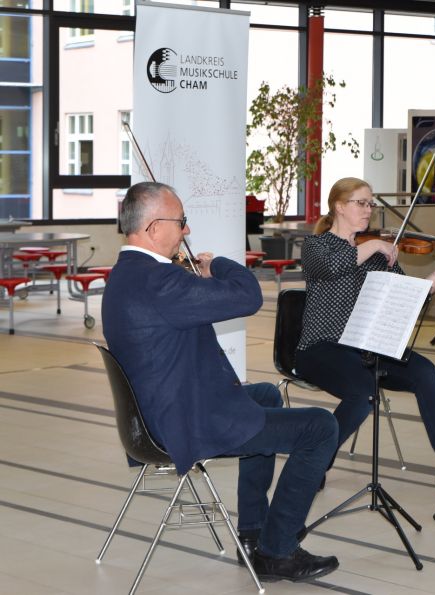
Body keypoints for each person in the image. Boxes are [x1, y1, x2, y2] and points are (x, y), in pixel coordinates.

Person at [102, 181, 340, 583]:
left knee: (265, 394)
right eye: (182, 222)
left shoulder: (127, 274)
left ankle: (252, 533)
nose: (187, 232)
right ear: (155, 228)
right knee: (320, 427)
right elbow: (247, 297)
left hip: (163, 409)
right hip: (185, 421)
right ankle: (278, 550)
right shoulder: (162, 283)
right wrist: (219, 267)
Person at [294, 177, 435, 495]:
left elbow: (415, 294)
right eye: (362, 203)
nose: (369, 209)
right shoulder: (316, 246)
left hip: (365, 347)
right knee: (362, 390)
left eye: (371, 203)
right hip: (321, 348)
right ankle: (317, 460)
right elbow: (333, 267)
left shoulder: (377, 254)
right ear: (339, 206)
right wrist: (374, 245)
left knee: (425, 372)